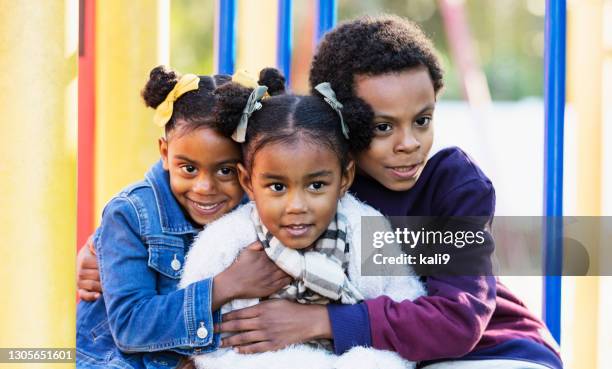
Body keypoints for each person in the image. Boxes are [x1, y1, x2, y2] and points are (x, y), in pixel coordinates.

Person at [77, 15, 563, 369]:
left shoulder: (451, 186)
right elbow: (207, 177)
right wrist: (106, 247)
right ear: (342, 127)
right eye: (381, 126)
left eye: (423, 120)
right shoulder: (305, 188)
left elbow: (458, 319)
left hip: (491, 349)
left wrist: (319, 322)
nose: (409, 143)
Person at [178, 68, 424, 369]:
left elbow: (405, 303)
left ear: (345, 178)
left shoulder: (364, 228)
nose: (297, 205)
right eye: (278, 187)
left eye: (316, 186)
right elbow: (205, 342)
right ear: (247, 182)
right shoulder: (225, 241)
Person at [76, 66, 291, 369]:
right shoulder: (132, 214)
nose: (205, 188)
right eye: (188, 168)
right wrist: (225, 286)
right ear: (165, 153)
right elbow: (131, 327)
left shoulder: (259, 209)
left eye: (225, 170)